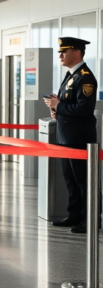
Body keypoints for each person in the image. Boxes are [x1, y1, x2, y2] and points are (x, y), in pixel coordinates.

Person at [44, 37, 98, 234]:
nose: (60, 55)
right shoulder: (71, 75)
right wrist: (56, 109)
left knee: (85, 182)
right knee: (71, 180)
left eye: (64, 52)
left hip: (79, 138)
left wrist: (59, 106)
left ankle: (91, 219)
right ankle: (74, 215)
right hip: (66, 138)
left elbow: (84, 109)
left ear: (76, 52)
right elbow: (68, 104)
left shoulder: (85, 77)